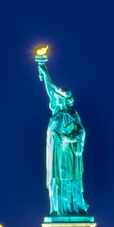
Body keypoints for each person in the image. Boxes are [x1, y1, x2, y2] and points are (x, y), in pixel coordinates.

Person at [36, 55, 89, 217]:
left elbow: (81, 132)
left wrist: (70, 139)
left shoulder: (71, 115)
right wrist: (43, 68)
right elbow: (50, 89)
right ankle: (57, 208)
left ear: (65, 101)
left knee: (67, 178)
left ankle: (71, 208)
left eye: (59, 97)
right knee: (56, 179)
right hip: (55, 152)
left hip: (67, 154)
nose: (55, 98)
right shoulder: (57, 113)